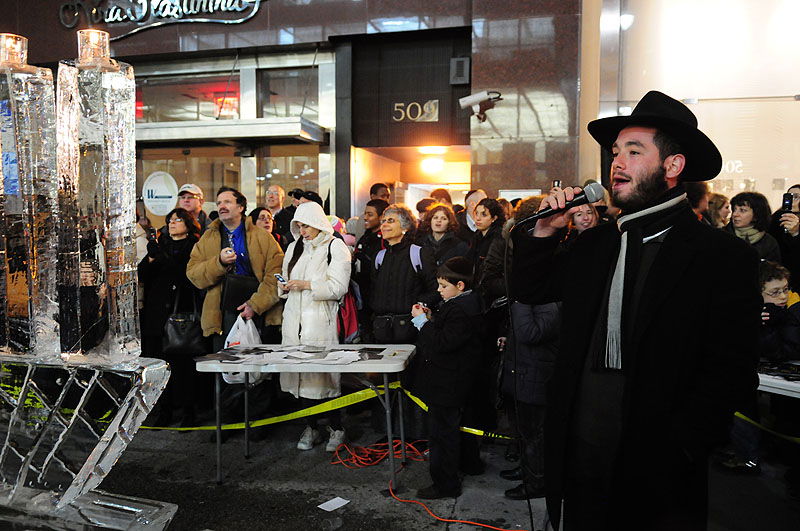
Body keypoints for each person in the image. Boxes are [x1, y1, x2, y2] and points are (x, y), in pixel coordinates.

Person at [511, 91, 762, 530]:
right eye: (614, 153)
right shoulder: (596, 244)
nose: (617, 164)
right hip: (582, 453)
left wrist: (684, 444)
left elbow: (733, 369)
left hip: (660, 468)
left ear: (673, 166)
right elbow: (531, 289)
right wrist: (545, 234)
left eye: (634, 151)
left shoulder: (719, 256)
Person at [278, 201, 352, 452]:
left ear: (318, 223)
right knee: (298, 382)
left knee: (323, 380)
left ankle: (336, 428)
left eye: (306, 225)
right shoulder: (293, 248)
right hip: (293, 322)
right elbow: (285, 281)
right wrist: (285, 286)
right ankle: (310, 426)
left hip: (320, 322)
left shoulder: (336, 246)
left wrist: (307, 285)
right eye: (298, 225)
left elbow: (338, 286)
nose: (303, 230)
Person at [410, 257, 484, 500]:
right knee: (453, 430)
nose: (439, 291)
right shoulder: (464, 303)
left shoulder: (461, 308)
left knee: (442, 435)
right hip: (455, 380)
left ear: (460, 286)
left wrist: (423, 323)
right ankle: (468, 465)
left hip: (447, 383)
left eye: (443, 286)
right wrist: (432, 319)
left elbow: (444, 342)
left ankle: (445, 484)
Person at [187, 187, 284, 351]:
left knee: (260, 370)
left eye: (227, 202)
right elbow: (193, 274)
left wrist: (255, 305)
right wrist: (219, 263)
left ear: (241, 207)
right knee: (226, 370)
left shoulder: (262, 236)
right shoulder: (207, 238)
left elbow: (277, 273)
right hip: (221, 316)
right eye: (218, 203)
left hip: (261, 312)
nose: (221, 206)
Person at [138, 208, 202, 426]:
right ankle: (163, 410)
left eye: (178, 220)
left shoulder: (194, 246)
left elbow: (185, 274)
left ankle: (187, 411)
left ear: (188, 223)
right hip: (157, 315)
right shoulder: (160, 245)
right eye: (170, 220)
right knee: (159, 364)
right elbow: (142, 275)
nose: (173, 223)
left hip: (182, 313)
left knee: (183, 365)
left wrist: (162, 258)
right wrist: (151, 258)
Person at [499, 298, 560, 500]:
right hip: (525, 376)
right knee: (526, 433)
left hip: (536, 378)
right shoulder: (536, 302)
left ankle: (537, 483)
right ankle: (528, 472)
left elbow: (530, 333)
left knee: (535, 436)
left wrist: (520, 302)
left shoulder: (550, 303)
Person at [369, 204, 438, 344]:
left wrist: (418, 304)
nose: (384, 225)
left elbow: (436, 289)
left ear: (405, 227)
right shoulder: (379, 256)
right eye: (383, 221)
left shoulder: (419, 253)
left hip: (411, 331)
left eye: (391, 221)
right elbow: (373, 290)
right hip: (382, 331)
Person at [353, 199, 389, 339]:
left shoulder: (384, 240)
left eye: (370, 214)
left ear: (381, 217)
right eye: (365, 214)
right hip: (362, 295)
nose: (366, 218)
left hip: (377, 297)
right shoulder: (364, 237)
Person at [727, 191, 781, 262]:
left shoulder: (769, 243)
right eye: (734, 209)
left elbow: (773, 270)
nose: (735, 214)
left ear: (756, 215)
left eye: (742, 210)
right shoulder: (722, 236)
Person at [768, 184, 800, 290]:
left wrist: (795, 234)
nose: (791, 200)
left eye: (796, 196)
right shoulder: (776, 219)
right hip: (780, 278)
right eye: (789, 196)